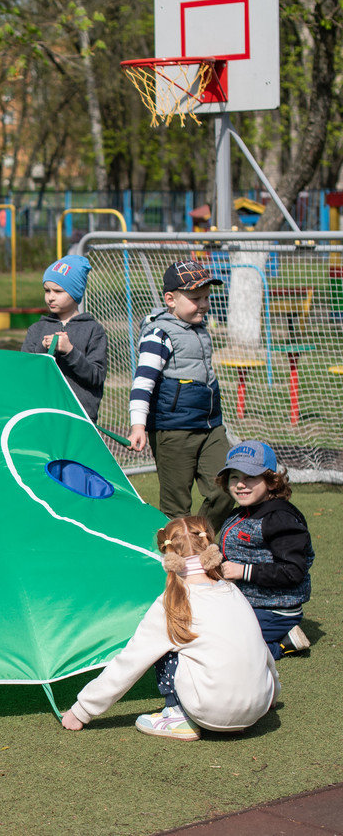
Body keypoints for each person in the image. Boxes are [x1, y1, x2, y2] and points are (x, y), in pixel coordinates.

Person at [60, 516, 278, 742]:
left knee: (163, 650)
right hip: (258, 707)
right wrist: (273, 693)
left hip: (210, 710)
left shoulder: (172, 603)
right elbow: (260, 648)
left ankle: (177, 715)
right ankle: (234, 717)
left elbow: (130, 662)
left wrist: (81, 710)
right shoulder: (233, 592)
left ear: (167, 553)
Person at [127, 260, 233, 530]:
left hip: (210, 427)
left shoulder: (199, 328)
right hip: (173, 431)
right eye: (196, 298)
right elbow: (142, 382)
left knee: (228, 486)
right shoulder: (159, 334)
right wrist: (138, 425)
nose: (204, 304)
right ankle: (176, 562)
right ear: (170, 300)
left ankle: (198, 537)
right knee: (176, 509)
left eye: (207, 297)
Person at [215, 440, 315, 659]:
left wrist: (243, 571)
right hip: (245, 603)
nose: (241, 484)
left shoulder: (279, 518)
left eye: (250, 477)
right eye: (234, 477)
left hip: (274, 610)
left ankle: (283, 646)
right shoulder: (241, 512)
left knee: (223, 648)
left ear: (271, 481)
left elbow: (293, 571)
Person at [20, 255, 107, 421]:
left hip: (79, 418)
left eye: (58, 291)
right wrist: (42, 350)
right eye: (47, 290)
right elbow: (25, 373)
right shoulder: (36, 329)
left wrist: (70, 352)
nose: (50, 297)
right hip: (42, 415)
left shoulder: (93, 330)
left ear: (75, 292)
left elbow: (96, 376)